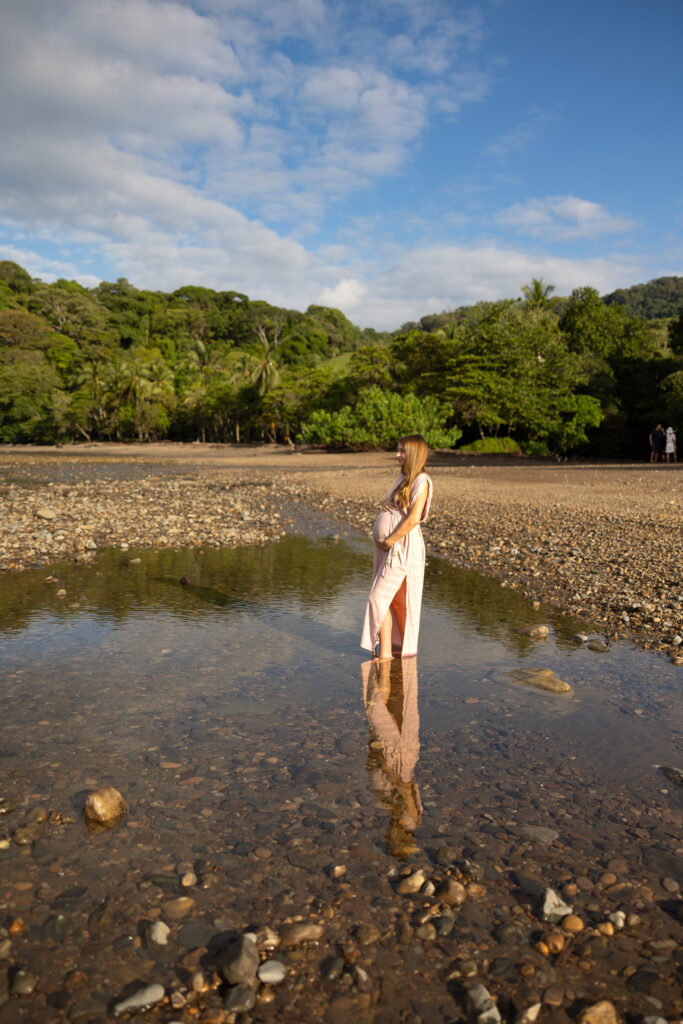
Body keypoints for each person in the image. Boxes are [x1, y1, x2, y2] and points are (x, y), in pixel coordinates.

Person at [361, 434, 432, 659]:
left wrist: (390, 541)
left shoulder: (423, 480)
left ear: (413, 453)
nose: (397, 455)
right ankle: (387, 653)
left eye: (402, 451)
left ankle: (388, 654)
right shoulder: (403, 479)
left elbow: (413, 518)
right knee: (390, 599)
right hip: (387, 547)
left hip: (401, 547)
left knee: (378, 598)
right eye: (398, 450)